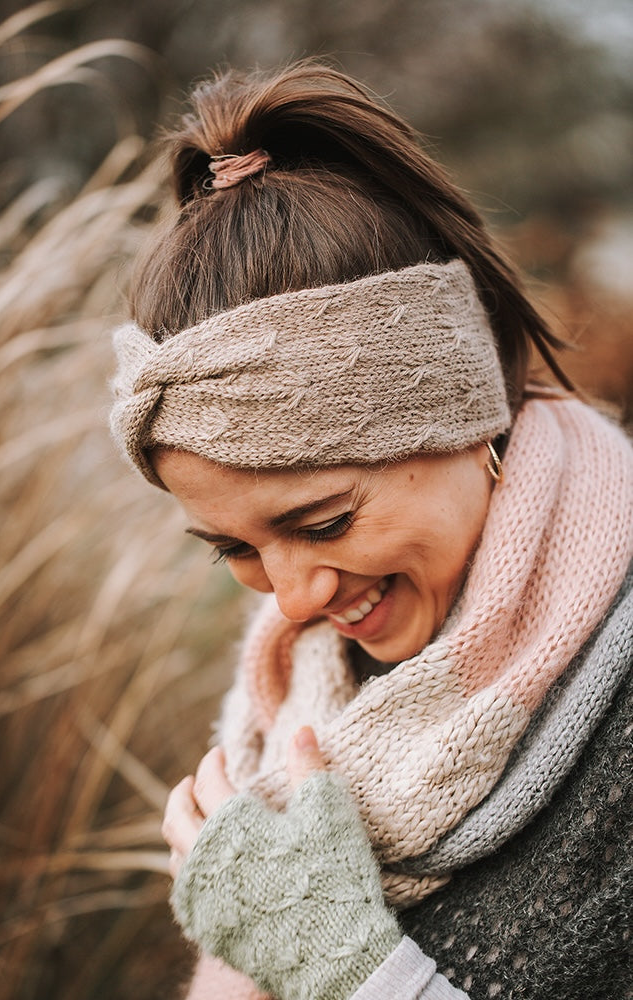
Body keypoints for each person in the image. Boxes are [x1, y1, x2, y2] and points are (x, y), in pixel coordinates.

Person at [109, 62, 633, 1000]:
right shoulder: (296, 692)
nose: (291, 599)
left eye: (324, 521)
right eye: (234, 548)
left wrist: (347, 971)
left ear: (463, 416)